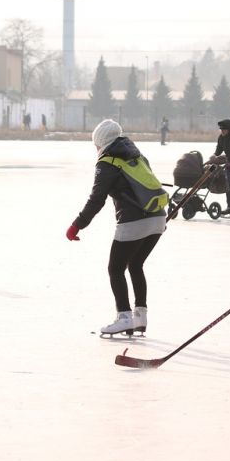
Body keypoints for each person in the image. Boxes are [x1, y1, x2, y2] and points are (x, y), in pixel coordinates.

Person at [66, 119, 167, 337]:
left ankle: (124, 317)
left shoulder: (107, 162)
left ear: (101, 142)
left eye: (96, 145)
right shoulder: (137, 155)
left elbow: (97, 199)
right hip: (158, 218)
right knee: (136, 264)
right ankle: (140, 317)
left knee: (115, 269)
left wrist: (77, 225)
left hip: (134, 220)